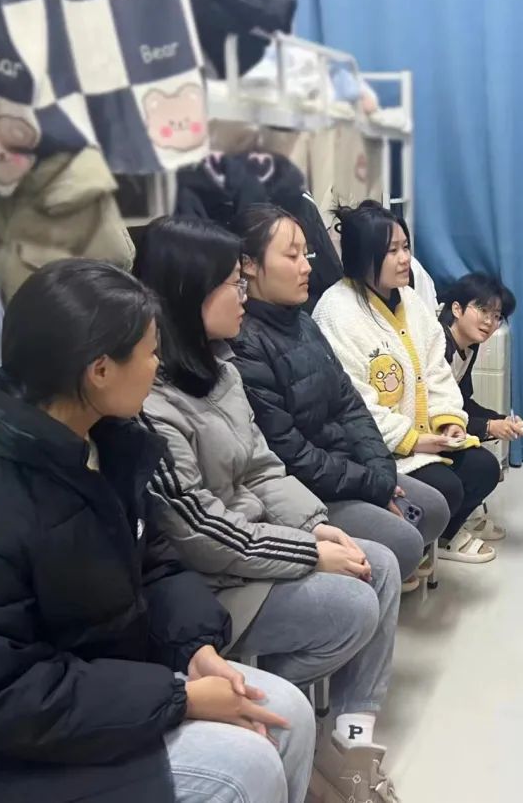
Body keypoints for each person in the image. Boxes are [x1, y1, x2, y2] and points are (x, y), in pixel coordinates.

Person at [0, 259, 315, 803]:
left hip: (96, 685)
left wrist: (193, 648)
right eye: (150, 352)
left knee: (287, 714)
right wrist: (178, 699)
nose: (158, 365)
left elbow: (154, 561)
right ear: (99, 370)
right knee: (245, 765)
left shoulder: (107, 440)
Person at [133, 216, 401, 802]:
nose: (243, 295)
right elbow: (201, 531)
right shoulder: (150, 402)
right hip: (216, 577)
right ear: (187, 293)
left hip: (258, 543)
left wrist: (319, 528)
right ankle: (282, 716)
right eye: (232, 282)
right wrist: (309, 553)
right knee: (355, 602)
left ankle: (351, 741)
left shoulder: (221, 368)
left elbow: (264, 467)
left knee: (377, 565)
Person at [229, 204, 449, 591]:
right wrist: (369, 484)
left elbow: (351, 404)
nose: (307, 267)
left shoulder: (302, 322)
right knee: (404, 541)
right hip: (310, 488)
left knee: (434, 509)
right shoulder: (246, 343)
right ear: (248, 265)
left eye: (307, 254)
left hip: (349, 467)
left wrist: (380, 474)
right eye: (292, 256)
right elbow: (289, 453)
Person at [313, 201, 501, 564]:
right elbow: (353, 403)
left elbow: (436, 369)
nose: (404, 259)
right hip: (379, 448)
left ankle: (440, 541)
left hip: (426, 437)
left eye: (406, 247)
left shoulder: (411, 301)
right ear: (363, 255)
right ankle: (412, 552)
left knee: (483, 468)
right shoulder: (336, 311)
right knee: (447, 487)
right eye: (392, 251)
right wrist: (412, 440)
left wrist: (448, 421)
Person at [439, 273, 523, 542]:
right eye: (483, 310)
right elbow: (434, 410)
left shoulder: (468, 347)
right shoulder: (438, 345)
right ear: (456, 309)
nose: (489, 321)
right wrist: (489, 427)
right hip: (426, 432)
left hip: (446, 427)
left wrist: (501, 421)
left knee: (484, 462)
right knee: (484, 467)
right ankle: (445, 537)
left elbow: (462, 403)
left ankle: (456, 526)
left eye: (496, 316)